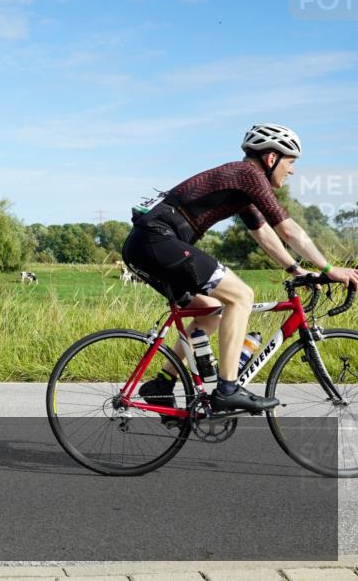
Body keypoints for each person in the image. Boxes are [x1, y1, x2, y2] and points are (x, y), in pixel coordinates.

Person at [121, 124, 358, 413]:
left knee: (210, 313)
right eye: (291, 162)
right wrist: (330, 268)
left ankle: (161, 384)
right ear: (271, 158)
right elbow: (288, 229)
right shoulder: (249, 175)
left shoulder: (240, 183)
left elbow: (263, 232)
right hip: (156, 241)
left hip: (147, 245)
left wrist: (296, 269)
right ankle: (227, 389)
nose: (292, 170)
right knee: (241, 296)